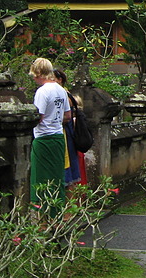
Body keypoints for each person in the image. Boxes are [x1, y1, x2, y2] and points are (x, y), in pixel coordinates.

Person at [29, 57, 71, 212]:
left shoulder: (42, 92)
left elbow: (38, 116)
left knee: (40, 178)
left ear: (39, 73)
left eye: (34, 75)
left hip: (43, 137)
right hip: (58, 136)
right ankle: (56, 214)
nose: (34, 78)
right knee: (56, 178)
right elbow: (67, 115)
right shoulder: (61, 90)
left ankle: (42, 218)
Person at [54, 68, 88, 188]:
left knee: (70, 177)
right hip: (64, 136)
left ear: (60, 80)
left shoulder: (65, 96)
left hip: (67, 137)